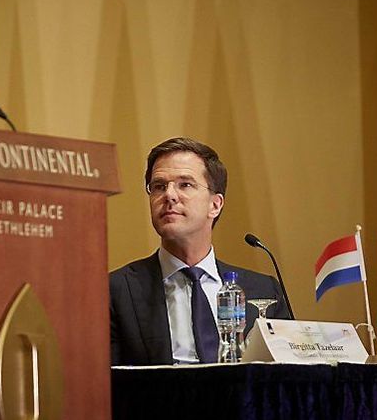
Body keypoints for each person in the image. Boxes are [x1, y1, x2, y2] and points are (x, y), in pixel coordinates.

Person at [109, 137, 290, 365]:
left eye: (185, 184)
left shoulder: (264, 291)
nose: (169, 195)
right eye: (158, 186)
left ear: (215, 204)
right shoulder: (117, 291)